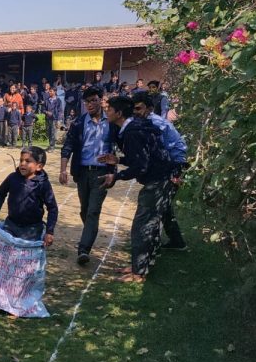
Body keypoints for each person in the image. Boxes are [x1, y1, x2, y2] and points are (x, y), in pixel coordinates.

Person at [97, 96, 172, 283]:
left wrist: (117, 176)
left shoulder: (132, 132)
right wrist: (118, 160)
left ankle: (138, 273)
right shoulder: (136, 127)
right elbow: (141, 158)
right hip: (161, 178)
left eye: (109, 109)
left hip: (157, 182)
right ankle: (141, 266)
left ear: (119, 113)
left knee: (142, 226)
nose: (106, 112)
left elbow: (141, 166)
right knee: (150, 225)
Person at [59, 87, 115, 265]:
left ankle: (83, 249)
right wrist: (63, 170)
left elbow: (121, 143)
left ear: (101, 100)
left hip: (102, 173)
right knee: (85, 209)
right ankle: (90, 231)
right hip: (82, 172)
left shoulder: (111, 123)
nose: (90, 104)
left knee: (93, 210)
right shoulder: (79, 123)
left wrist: (114, 169)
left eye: (93, 100)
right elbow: (67, 146)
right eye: (87, 101)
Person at [131, 92, 188, 251]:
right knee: (164, 205)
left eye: (138, 109)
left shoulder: (155, 123)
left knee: (158, 205)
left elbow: (160, 150)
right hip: (171, 162)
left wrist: (173, 173)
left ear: (149, 109)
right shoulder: (147, 121)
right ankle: (177, 242)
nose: (135, 112)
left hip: (174, 163)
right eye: (133, 109)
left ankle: (154, 244)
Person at [0, 146, 57, 245]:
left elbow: (52, 208)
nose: (22, 164)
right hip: (10, 225)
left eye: (27, 161)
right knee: (8, 251)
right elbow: (0, 193)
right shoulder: (12, 178)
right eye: (21, 160)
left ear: (39, 166)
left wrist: (49, 231)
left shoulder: (43, 184)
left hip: (32, 230)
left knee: (24, 254)